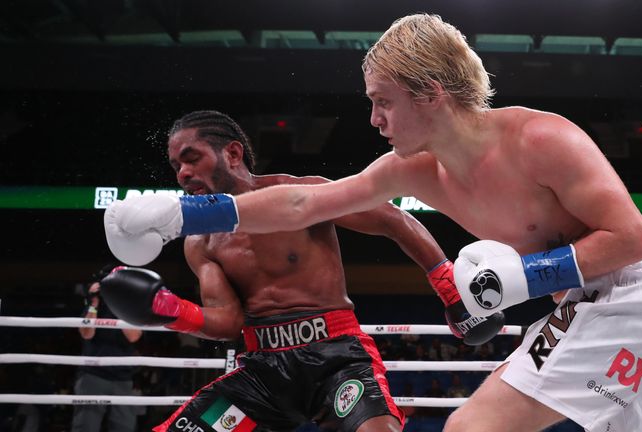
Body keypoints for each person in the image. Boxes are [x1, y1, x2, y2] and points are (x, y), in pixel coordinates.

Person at [102, 14, 642, 432]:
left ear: (429, 93)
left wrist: (526, 277)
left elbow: (634, 238)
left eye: (382, 101)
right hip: (585, 307)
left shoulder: (541, 139)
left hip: (623, 300)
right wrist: (182, 214)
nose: (375, 119)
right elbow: (304, 204)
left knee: (472, 428)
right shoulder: (414, 169)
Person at [99, 110, 504, 432]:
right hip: (262, 373)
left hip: (337, 358)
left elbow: (392, 219)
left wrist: (447, 285)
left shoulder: (299, 192)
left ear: (233, 154)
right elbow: (228, 321)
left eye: (192, 158)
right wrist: (171, 312)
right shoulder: (200, 242)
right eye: (176, 166)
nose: (183, 174)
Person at [72, 265, 143, 432]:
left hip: (123, 377)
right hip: (93, 374)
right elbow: (87, 334)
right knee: (86, 426)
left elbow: (133, 336)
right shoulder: (94, 305)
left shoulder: (130, 306)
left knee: (124, 427)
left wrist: (118, 304)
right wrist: (93, 303)